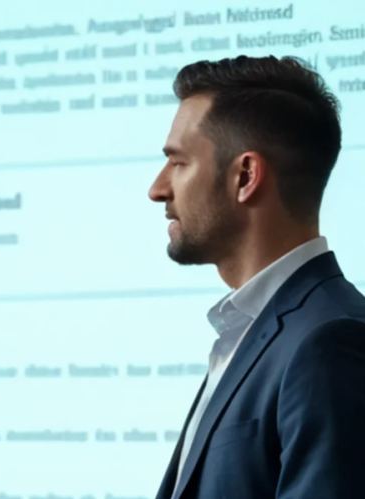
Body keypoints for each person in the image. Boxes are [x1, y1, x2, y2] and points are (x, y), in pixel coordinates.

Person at [149, 55, 365, 499]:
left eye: (179, 163)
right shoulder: (255, 331)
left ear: (245, 175)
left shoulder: (329, 342)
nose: (157, 189)